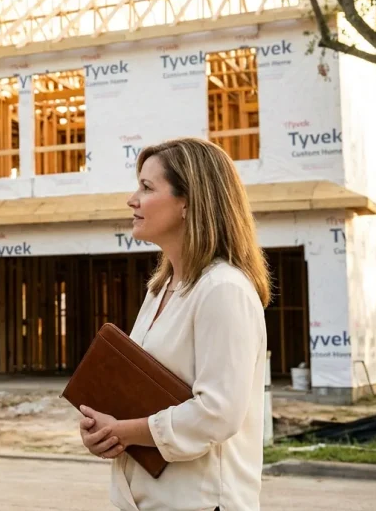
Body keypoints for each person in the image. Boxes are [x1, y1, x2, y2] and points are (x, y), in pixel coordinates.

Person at [77, 137, 271, 511]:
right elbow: (137, 389)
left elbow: (218, 412)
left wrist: (125, 431)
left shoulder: (223, 289)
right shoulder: (161, 289)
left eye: (147, 188)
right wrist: (103, 432)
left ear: (187, 202)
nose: (132, 200)